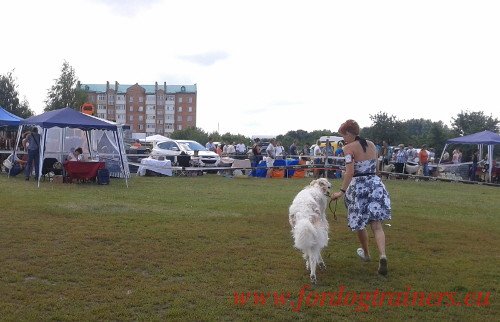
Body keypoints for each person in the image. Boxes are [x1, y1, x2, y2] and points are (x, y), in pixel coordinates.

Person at [331, 119, 391, 276]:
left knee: (359, 224)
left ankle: (366, 253)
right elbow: (377, 168)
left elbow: (350, 172)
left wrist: (341, 192)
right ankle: (383, 255)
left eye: (343, 135)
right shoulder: (371, 145)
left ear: (349, 133)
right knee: (376, 225)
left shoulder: (348, 148)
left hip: (359, 187)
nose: (343, 139)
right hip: (375, 184)